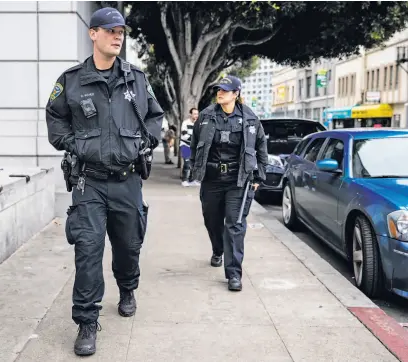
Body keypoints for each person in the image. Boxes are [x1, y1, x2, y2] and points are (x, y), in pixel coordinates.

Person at [45, 7, 163, 356]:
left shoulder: (136, 80)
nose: (117, 36)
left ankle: (127, 287)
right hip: (89, 182)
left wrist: (145, 143)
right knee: (88, 251)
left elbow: (155, 118)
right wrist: (76, 144)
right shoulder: (70, 80)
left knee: (128, 246)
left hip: (127, 181)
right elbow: (55, 120)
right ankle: (86, 321)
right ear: (93, 34)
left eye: (121, 32)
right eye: (110, 31)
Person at [190, 75, 268, 292]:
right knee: (212, 221)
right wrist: (196, 169)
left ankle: (234, 273)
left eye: (225, 90)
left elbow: (261, 148)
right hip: (212, 180)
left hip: (238, 181)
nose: (220, 93)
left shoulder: (250, 119)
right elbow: (195, 143)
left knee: (234, 225)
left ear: (236, 94)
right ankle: (217, 249)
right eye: (218, 89)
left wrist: (258, 177)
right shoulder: (205, 117)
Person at [181, 108, 200, 186]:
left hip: (194, 147)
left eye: (197, 114)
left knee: (194, 164)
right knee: (186, 163)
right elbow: (185, 136)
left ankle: (192, 180)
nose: (196, 115)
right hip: (185, 145)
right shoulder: (185, 123)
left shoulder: (198, 124)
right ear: (190, 114)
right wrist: (194, 138)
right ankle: (184, 180)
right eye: (194, 114)